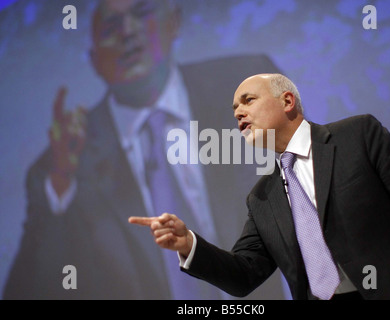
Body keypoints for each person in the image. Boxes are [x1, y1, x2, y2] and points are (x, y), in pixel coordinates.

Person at [3, 0, 286, 299]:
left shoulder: (247, 85)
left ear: (174, 22)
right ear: (94, 60)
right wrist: (61, 182)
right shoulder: (64, 165)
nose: (127, 32)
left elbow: (313, 185)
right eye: (111, 27)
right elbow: (26, 289)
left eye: (141, 14)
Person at [129, 73, 390, 300]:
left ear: (287, 101)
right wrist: (188, 244)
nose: (238, 112)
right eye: (234, 109)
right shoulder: (262, 197)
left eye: (248, 100)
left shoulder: (357, 136)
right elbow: (244, 275)